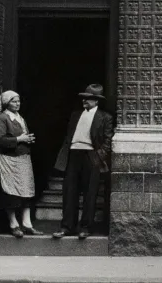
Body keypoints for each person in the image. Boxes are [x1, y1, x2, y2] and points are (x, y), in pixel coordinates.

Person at [52, 83, 114, 240]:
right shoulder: (75, 115)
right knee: (69, 191)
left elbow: (107, 140)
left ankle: (85, 227)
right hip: (73, 154)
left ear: (96, 101)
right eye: (84, 98)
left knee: (90, 193)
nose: (84, 101)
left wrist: (98, 157)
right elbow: (68, 136)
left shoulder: (105, 117)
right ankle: (66, 227)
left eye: (88, 98)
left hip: (91, 156)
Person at [0, 90, 43, 238]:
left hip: (23, 159)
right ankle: (13, 224)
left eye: (18, 101)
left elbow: (22, 136)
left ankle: (27, 224)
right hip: (9, 159)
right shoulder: (2, 119)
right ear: (6, 103)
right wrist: (20, 139)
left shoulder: (19, 118)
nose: (17, 104)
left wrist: (27, 139)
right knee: (12, 192)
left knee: (27, 191)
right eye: (14, 101)